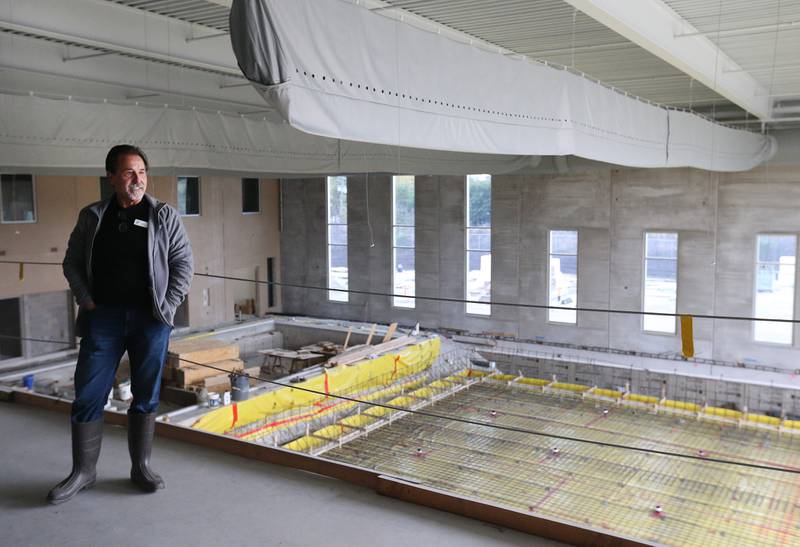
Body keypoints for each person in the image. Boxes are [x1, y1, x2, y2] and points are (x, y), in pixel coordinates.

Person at [48, 144, 193, 504]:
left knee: (146, 396)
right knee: (88, 394)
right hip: (104, 320)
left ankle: (140, 466)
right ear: (111, 177)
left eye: (142, 172)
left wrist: (167, 306)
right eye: (128, 172)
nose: (137, 179)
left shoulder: (164, 216)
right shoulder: (93, 216)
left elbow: (183, 265)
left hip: (151, 321)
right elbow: (71, 262)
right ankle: (83, 471)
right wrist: (85, 298)